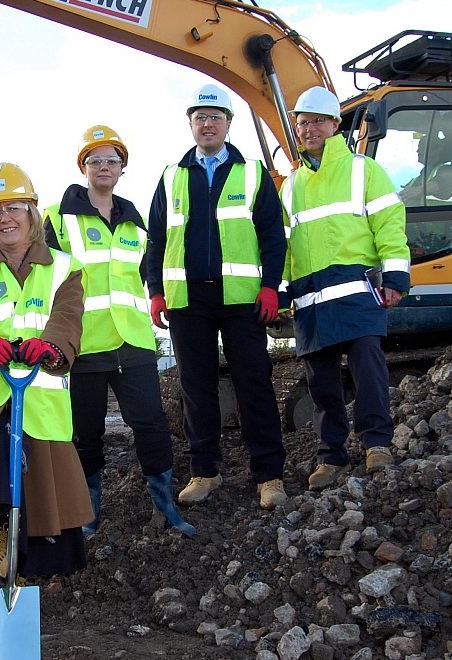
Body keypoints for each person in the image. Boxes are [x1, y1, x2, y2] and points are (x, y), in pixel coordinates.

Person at [0, 163, 93, 588]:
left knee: (33, 459)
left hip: (38, 389)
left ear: (32, 213)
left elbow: (67, 318)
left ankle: (30, 561)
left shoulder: (65, 268)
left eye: (14, 208)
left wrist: (53, 346)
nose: (5, 218)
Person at [43, 125, 195, 538]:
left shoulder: (135, 222)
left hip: (133, 342)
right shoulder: (57, 218)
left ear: (122, 168)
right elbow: (41, 278)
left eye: (112, 160)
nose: (104, 167)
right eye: (96, 160)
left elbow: (153, 276)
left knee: (151, 426)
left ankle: (166, 508)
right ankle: (87, 515)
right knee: (86, 434)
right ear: (83, 167)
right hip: (83, 345)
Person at [147, 83, 288, 510]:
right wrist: (155, 291)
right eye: (199, 117)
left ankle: (270, 475)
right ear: (190, 124)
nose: (207, 124)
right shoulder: (172, 175)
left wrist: (271, 287)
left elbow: (273, 236)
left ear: (228, 124)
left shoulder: (253, 173)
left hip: (243, 298)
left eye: (215, 117)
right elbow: (155, 240)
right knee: (197, 388)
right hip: (188, 301)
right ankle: (204, 472)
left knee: (254, 383)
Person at [279, 86, 410, 490]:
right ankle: (330, 456)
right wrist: (282, 290)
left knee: (368, 368)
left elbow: (388, 222)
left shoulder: (362, 170)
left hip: (356, 289)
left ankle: (377, 445)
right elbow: (283, 244)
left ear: (335, 124)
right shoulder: (289, 185)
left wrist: (396, 274)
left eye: (317, 121)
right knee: (321, 385)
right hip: (310, 297)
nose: (309, 128)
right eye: (302, 122)